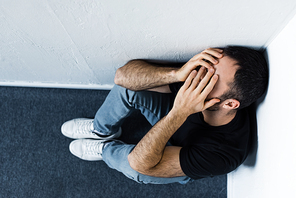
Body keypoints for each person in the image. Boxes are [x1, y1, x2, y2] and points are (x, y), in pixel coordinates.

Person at [61, 46, 268, 184]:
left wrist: (180, 112)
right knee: (130, 88)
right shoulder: (196, 76)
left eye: (210, 79)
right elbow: (121, 76)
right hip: (174, 115)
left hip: (182, 156)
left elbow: (140, 164)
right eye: (206, 67)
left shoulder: (225, 154)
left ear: (230, 104)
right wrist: (175, 74)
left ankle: (106, 149)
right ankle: (101, 130)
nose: (198, 76)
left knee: (135, 167)